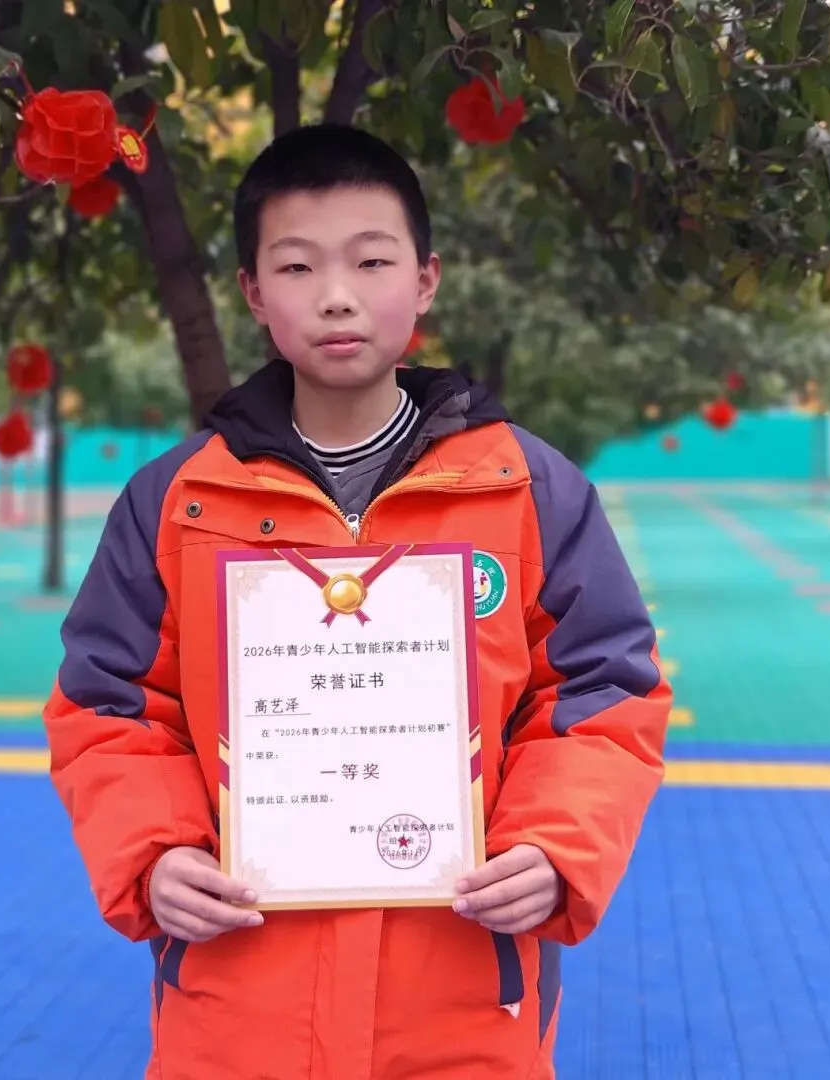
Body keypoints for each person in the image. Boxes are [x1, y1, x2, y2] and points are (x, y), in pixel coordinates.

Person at [43, 123, 672, 1080]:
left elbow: (603, 692)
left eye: (371, 261)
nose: (336, 294)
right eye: (297, 266)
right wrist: (155, 852)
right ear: (254, 292)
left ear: (425, 280)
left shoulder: (528, 489)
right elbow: (108, 707)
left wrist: (555, 848)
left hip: (464, 1009)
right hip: (235, 1011)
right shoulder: (177, 500)